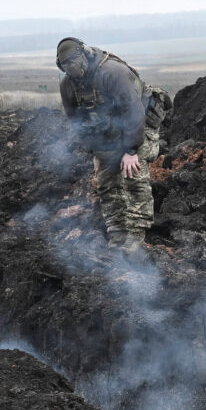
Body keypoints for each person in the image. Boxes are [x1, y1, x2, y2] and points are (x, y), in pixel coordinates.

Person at [56, 37, 170, 253]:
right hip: (107, 130)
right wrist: (95, 152)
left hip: (139, 123)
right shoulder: (68, 85)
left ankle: (136, 238)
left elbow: (133, 112)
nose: (71, 68)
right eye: (66, 66)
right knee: (106, 182)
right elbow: (78, 122)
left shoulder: (112, 73)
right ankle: (117, 236)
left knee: (133, 176)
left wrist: (131, 150)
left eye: (74, 62)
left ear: (86, 55)